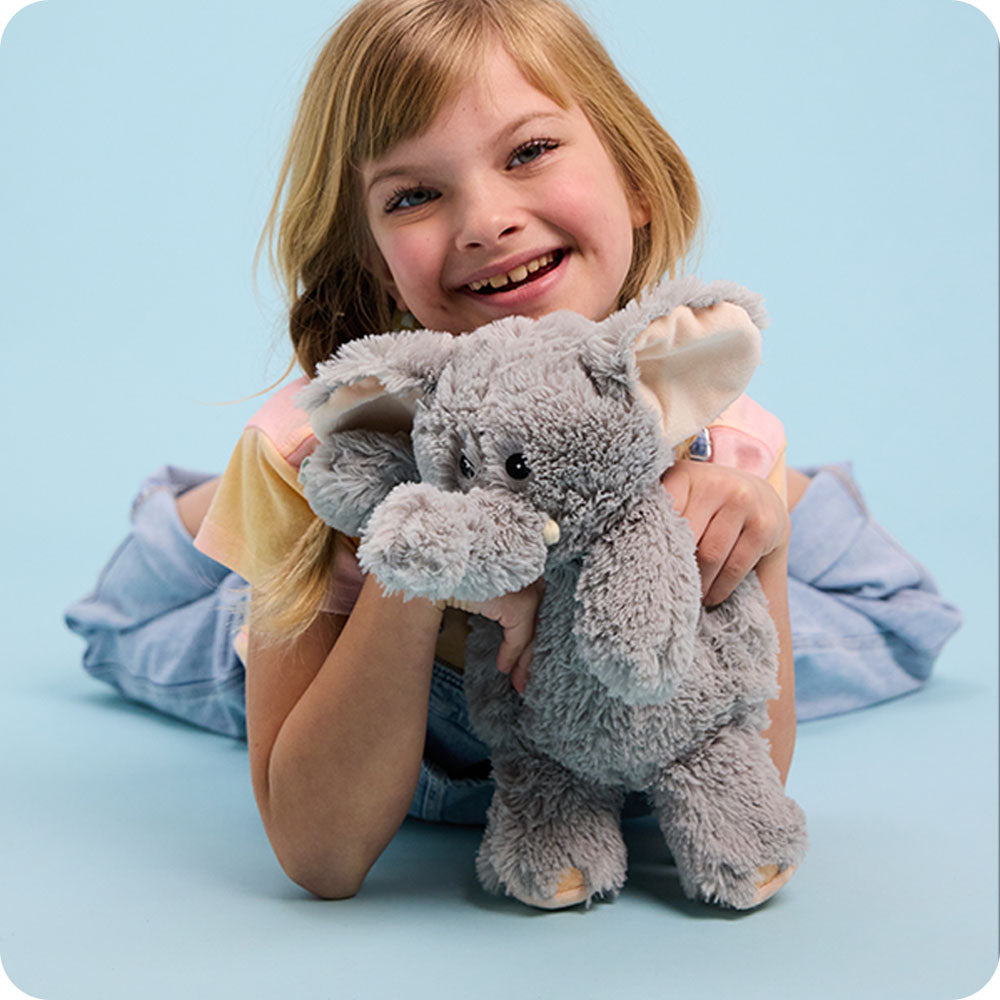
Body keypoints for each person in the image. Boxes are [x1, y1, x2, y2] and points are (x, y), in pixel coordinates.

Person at [64, 0, 960, 905]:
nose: (486, 221)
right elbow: (319, 857)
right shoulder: (312, 456)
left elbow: (749, 776)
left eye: (529, 151)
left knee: (901, 623)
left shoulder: (710, 420)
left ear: (636, 179)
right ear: (375, 260)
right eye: (412, 196)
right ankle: (192, 512)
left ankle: (800, 493)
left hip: (632, 686)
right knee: (118, 625)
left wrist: (760, 536)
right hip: (361, 661)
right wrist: (425, 560)